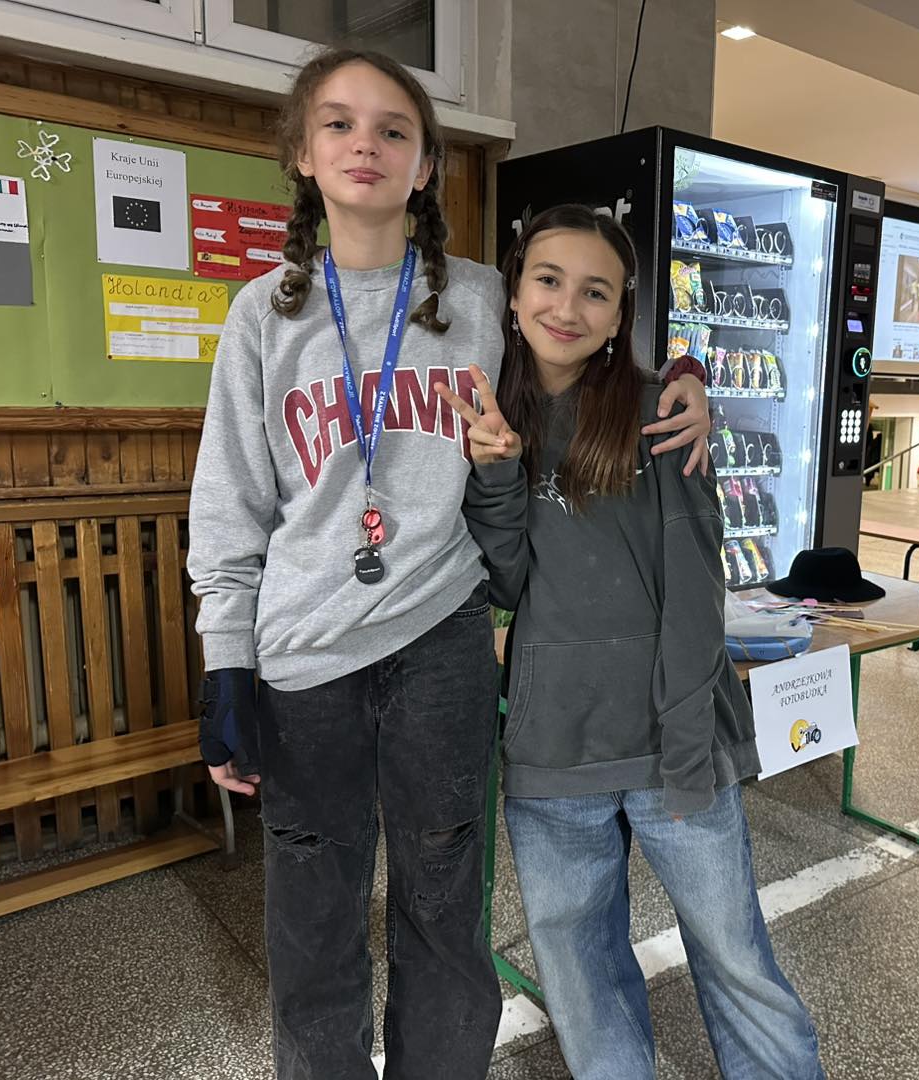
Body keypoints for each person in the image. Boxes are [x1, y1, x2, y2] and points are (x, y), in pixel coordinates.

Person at [187, 51, 711, 1080]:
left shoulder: (477, 298)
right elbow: (230, 503)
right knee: (313, 930)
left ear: (426, 164)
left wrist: (685, 374)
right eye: (339, 125)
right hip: (304, 660)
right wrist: (226, 663)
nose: (366, 145)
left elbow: (581, 343)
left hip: (442, 645)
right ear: (303, 154)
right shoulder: (262, 315)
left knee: (443, 917)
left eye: (394, 130)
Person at [437, 204, 825, 1080]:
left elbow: (696, 592)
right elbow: (508, 585)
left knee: (734, 955)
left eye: (595, 291)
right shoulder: (495, 413)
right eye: (548, 280)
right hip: (553, 750)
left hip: (670, 746)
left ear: (620, 314)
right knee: (581, 978)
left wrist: (687, 740)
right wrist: (494, 475)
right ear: (512, 293)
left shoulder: (662, 415)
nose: (566, 306)